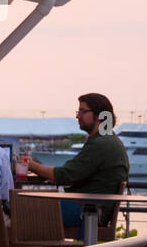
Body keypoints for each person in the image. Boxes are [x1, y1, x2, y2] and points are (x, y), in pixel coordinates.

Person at [26, 93, 129, 229]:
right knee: (30, 205)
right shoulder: (108, 139)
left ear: (100, 116)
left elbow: (64, 175)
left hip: (87, 212)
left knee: (24, 206)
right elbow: (73, 173)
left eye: (82, 111)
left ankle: (10, 246)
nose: (77, 116)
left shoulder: (101, 143)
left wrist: (30, 165)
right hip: (92, 209)